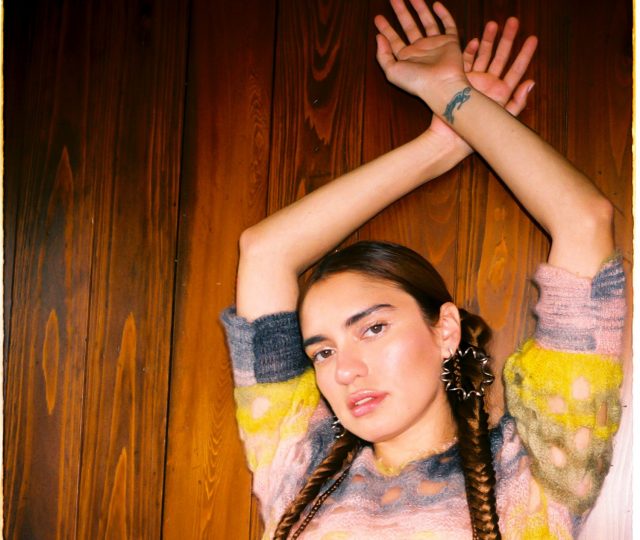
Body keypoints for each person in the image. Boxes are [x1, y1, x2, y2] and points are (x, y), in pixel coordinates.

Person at [221, 1, 626, 538]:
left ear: (446, 329)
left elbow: (584, 220)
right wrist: (439, 145)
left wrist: (452, 96)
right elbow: (264, 250)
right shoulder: (297, 472)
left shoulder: (533, 475)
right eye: (323, 351)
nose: (344, 371)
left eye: (373, 328)